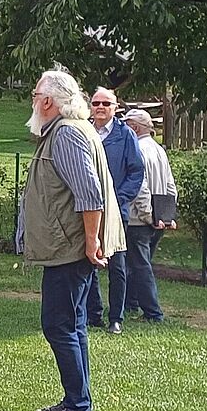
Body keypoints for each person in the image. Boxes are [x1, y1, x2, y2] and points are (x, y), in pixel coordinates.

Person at [18, 69, 127, 411]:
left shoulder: (66, 134)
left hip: (70, 248)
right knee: (74, 325)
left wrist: (91, 242)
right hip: (68, 246)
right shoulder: (69, 130)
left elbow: (89, 193)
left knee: (59, 325)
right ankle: (76, 401)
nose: (33, 101)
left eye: (35, 95)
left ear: (48, 101)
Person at [86, 87, 144, 334]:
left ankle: (116, 318)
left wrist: (119, 199)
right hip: (87, 208)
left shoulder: (125, 135)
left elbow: (136, 171)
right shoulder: (84, 132)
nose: (100, 107)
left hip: (115, 212)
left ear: (115, 108)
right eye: (96, 103)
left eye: (106, 104)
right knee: (88, 262)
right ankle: (93, 315)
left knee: (117, 266)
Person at [122, 108, 177, 322]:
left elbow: (140, 187)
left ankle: (153, 313)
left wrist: (148, 216)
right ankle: (130, 304)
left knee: (139, 266)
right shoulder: (158, 149)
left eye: (126, 124)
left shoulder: (137, 149)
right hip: (159, 219)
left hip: (140, 219)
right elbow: (170, 185)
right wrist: (167, 214)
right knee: (139, 264)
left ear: (134, 127)